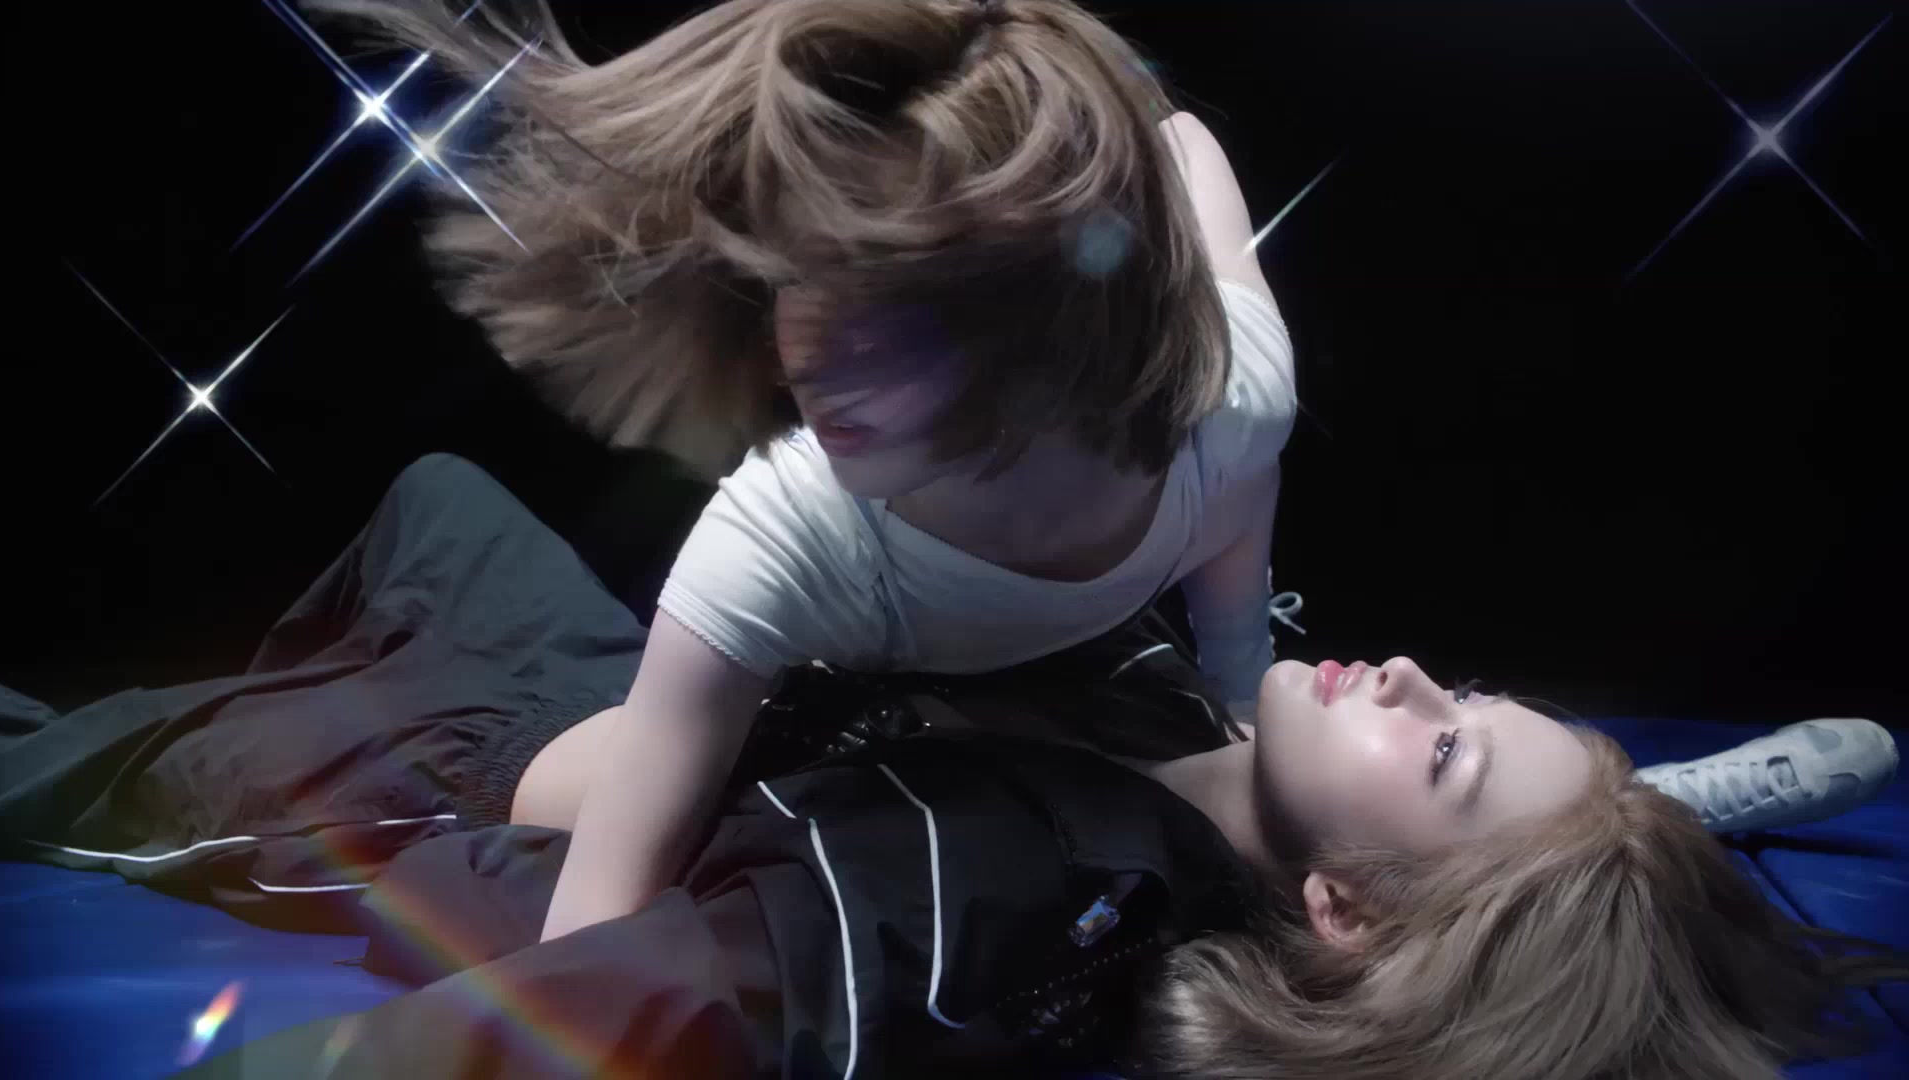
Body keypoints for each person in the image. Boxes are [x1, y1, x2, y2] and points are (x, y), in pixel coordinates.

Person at [305, 0, 1896, 952]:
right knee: (440, 503)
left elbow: (1186, 175)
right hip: (665, 729)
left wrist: (1238, 690)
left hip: (1026, 709)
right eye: (799, 296)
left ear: (1039, 345)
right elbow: (601, 913)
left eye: (877, 333)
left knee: (1230, 810)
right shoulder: (780, 538)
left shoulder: (1225, 409)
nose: (796, 360)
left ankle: (1616, 821)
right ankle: (1620, 813)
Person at [0, 455, 1901, 1080]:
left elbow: (565, 1021)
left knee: (87, 765)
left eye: (1450, 744)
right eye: (1461, 692)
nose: (1406, 674)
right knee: (434, 491)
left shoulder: (974, 914)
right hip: (596, 673)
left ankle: (211, 722)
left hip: (445, 776)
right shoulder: (1221, 706)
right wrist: (1647, 809)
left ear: (1345, 911)